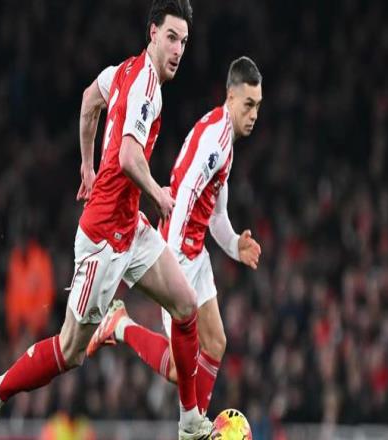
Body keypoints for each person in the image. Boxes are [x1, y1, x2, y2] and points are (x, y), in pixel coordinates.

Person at [0, 1, 213, 439]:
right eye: (172, 37)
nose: (179, 49)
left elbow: (89, 101)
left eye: (184, 41)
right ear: (152, 33)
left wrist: (87, 165)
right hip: (104, 238)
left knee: (185, 305)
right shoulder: (146, 87)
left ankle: (190, 422)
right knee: (71, 350)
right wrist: (158, 192)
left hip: (129, 226)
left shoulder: (122, 71)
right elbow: (128, 157)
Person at [87, 56, 263, 416]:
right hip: (179, 252)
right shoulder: (215, 141)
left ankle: (197, 429)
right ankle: (120, 325)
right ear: (231, 97)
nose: (254, 114)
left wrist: (235, 245)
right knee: (180, 368)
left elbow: (216, 214)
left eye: (258, 106)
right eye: (248, 104)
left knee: (216, 343)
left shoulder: (224, 139)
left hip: (195, 252)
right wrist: (168, 260)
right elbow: (183, 198)